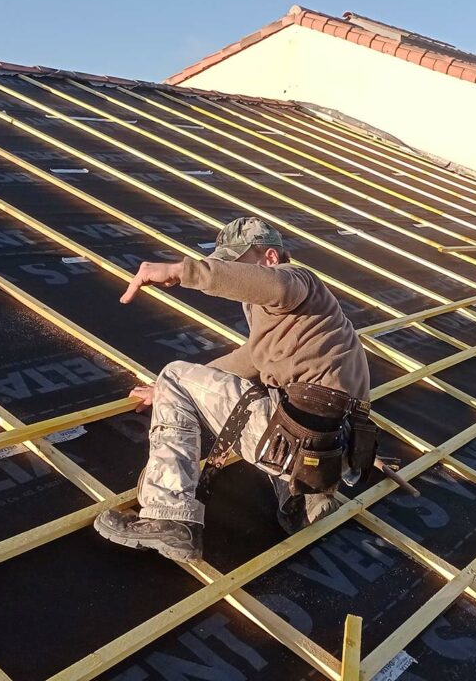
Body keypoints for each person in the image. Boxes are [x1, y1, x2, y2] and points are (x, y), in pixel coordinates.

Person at [94, 217, 373, 562]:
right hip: (330, 454)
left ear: (270, 258)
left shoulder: (296, 280)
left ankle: (169, 515)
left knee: (175, 374)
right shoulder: (306, 320)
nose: (231, 273)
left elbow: (275, 286)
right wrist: (166, 391)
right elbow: (251, 359)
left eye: (236, 264)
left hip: (299, 442)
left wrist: (183, 272)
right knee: (227, 387)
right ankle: (303, 497)